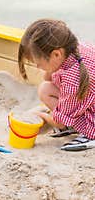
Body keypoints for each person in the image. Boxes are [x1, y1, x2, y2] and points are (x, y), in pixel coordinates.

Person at [18, 19, 95, 151]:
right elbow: (47, 79)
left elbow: (59, 122)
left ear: (56, 54)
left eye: (38, 62)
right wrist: (49, 69)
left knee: (45, 92)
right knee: (45, 88)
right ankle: (71, 123)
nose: (38, 66)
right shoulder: (78, 49)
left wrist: (39, 115)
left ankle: (90, 134)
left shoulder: (72, 80)